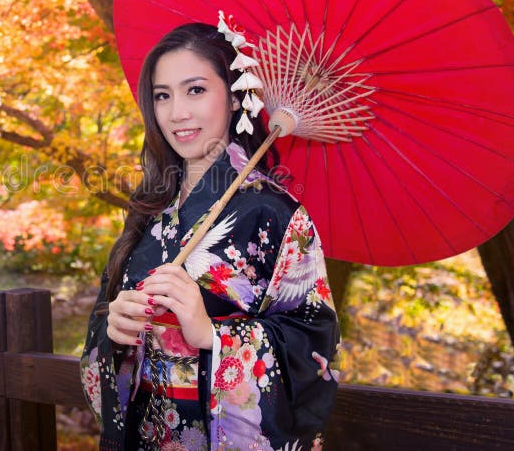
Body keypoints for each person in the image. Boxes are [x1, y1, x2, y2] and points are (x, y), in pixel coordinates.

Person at [81, 22, 339, 451]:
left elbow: (313, 344)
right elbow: (102, 328)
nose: (177, 112)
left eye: (195, 90)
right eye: (163, 95)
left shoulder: (274, 213)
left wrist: (212, 336)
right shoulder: (150, 208)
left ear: (235, 96)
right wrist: (113, 327)